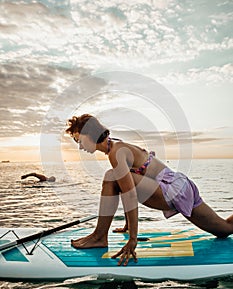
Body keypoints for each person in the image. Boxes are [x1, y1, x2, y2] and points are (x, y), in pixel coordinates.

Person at [66, 114, 233, 266]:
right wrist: (127, 225)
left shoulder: (116, 152)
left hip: (172, 190)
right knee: (225, 229)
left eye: (78, 139)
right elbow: (126, 188)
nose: (79, 146)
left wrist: (133, 239)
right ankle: (99, 235)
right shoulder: (116, 146)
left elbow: (130, 194)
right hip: (182, 187)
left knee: (111, 176)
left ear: (91, 134)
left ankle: (99, 236)